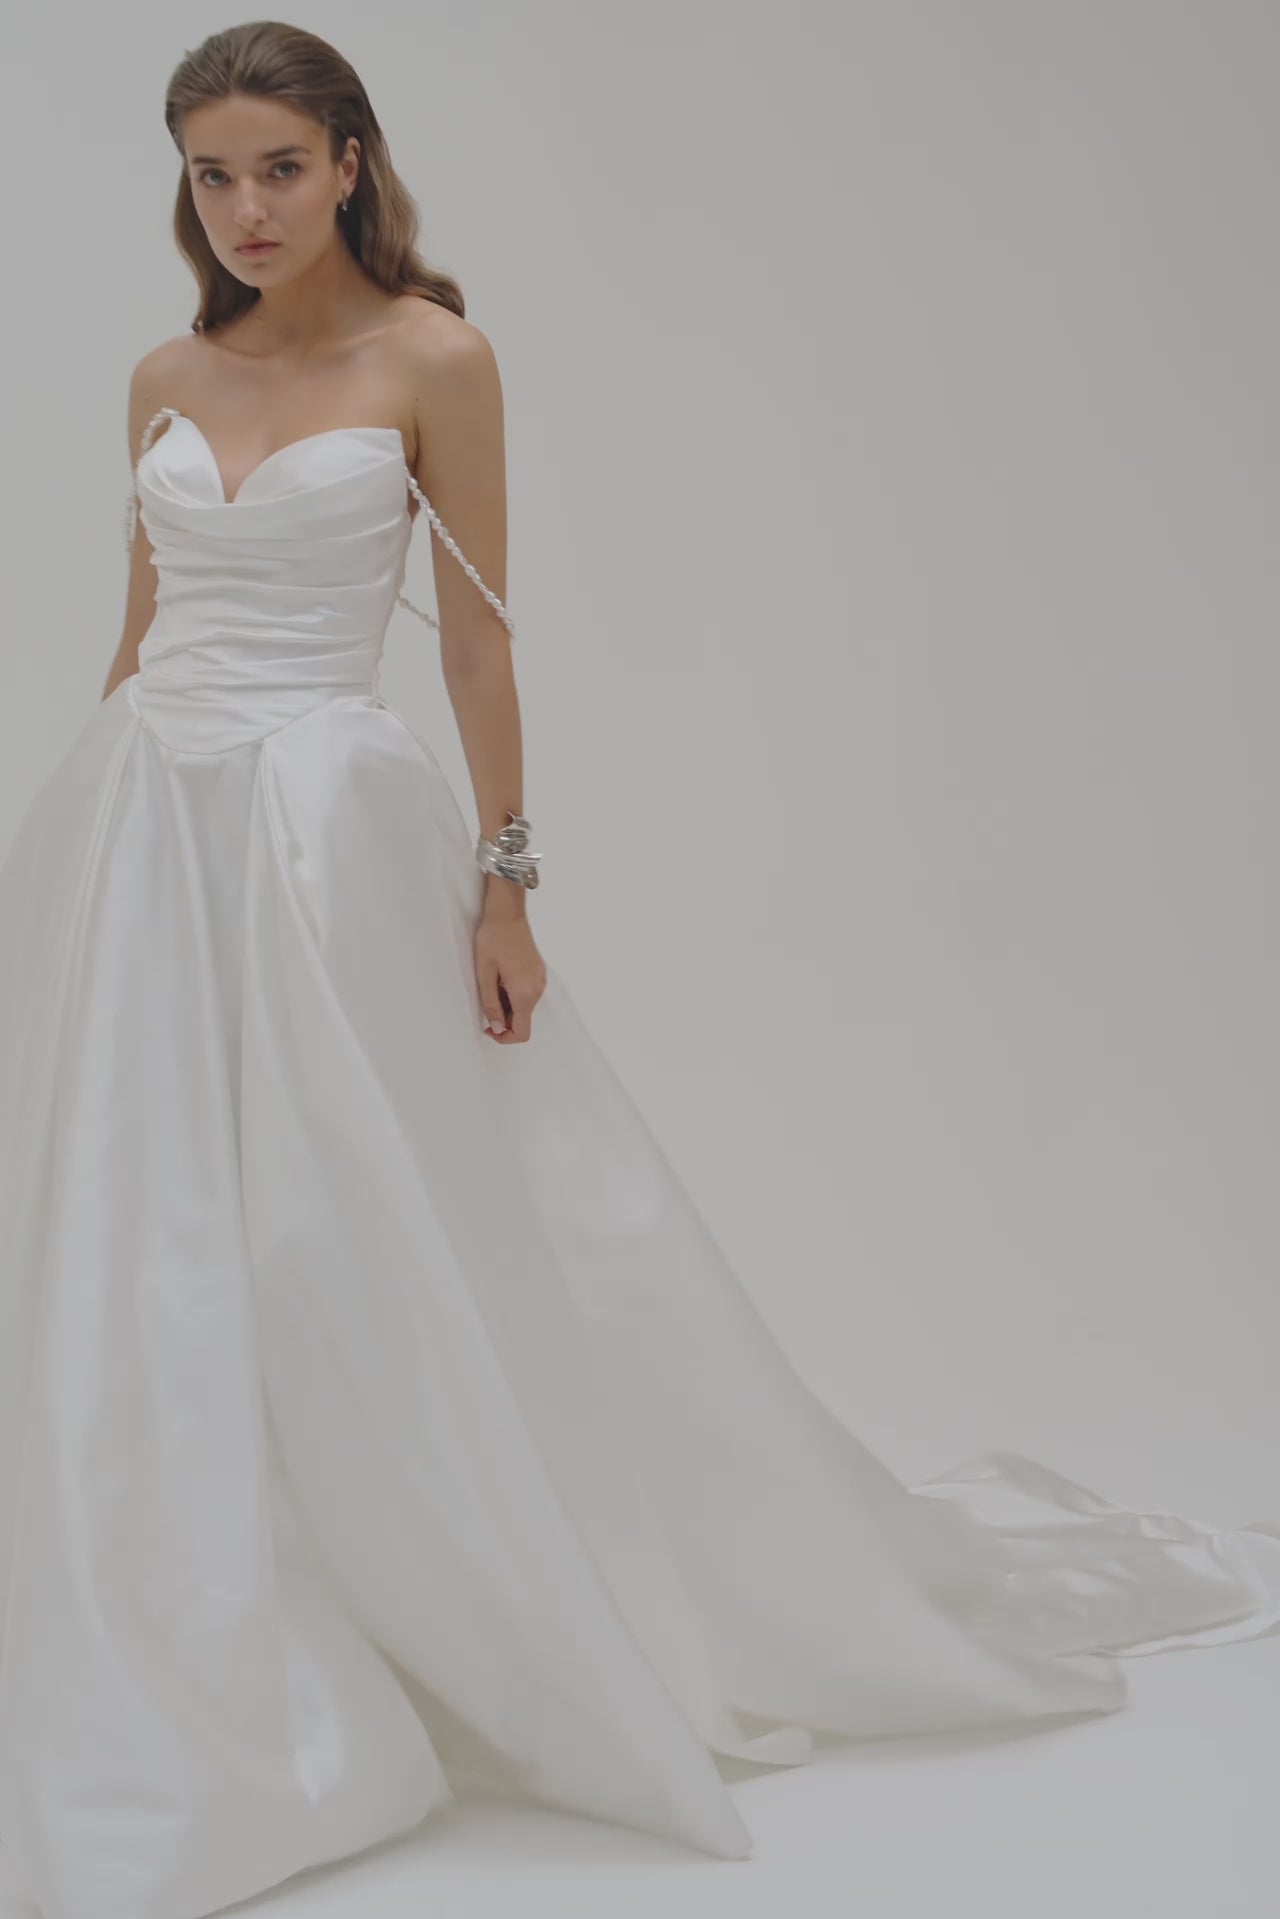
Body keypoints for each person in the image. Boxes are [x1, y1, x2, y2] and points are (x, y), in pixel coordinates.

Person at [0, 21, 1277, 1919]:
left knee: (367, 1219)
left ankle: (457, 1588)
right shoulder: (164, 374)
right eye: (209, 173)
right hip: (148, 822)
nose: (246, 207)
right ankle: (191, 1613)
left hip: (326, 834)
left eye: (279, 163)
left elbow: (479, 649)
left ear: (351, 157)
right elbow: (140, 627)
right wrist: (78, 855)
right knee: (150, 1229)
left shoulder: (438, 353)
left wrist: (507, 888)